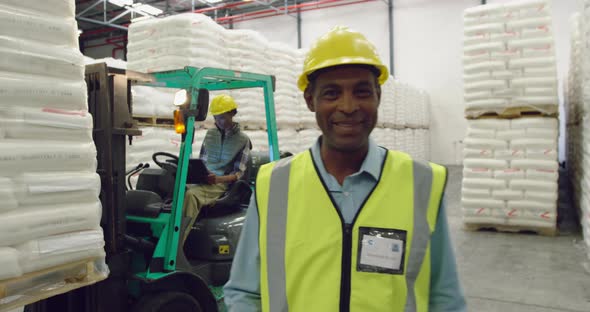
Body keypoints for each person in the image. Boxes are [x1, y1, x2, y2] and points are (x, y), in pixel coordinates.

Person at [224, 26, 466, 311]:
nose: (348, 106)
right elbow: (244, 292)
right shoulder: (273, 185)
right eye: (332, 93)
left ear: (378, 96)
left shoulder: (422, 182)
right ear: (310, 100)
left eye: (362, 92)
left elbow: (445, 298)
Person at [182, 94, 251, 243]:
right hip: (205, 179)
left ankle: (176, 246)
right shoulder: (210, 134)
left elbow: (238, 173)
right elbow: (202, 160)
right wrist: (197, 173)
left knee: (191, 196)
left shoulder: (243, 140)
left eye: (222, 118)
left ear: (232, 114)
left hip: (220, 183)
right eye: (216, 118)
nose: (218, 122)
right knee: (177, 189)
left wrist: (218, 178)